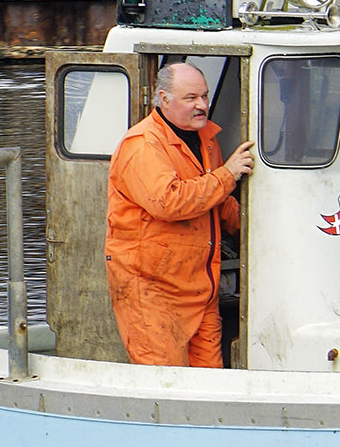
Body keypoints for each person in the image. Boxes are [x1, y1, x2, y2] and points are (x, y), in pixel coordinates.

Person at [106, 63, 255, 366]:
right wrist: (228, 175)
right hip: (152, 289)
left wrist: (258, 232)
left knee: (209, 380)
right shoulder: (143, 145)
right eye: (190, 98)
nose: (201, 105)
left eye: (204, 96)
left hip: (201, 286)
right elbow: (168, 202)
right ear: (163, 99)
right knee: (165, 383)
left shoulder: (206, 139)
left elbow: (217, 200)